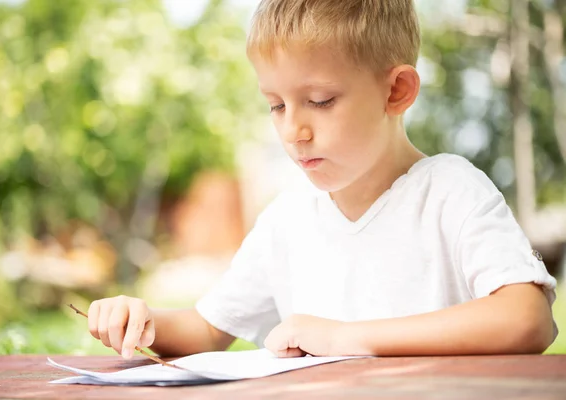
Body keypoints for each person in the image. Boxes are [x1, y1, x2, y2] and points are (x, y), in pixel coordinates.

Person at [87, 0, 558, 359]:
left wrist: (346, 337)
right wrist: (142, 321)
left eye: (320, 100)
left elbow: (527, 318)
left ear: (396, 91)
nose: (293, 130)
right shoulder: (287, 221)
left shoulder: (451, 192)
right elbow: (208, 328)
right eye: (276, 105)